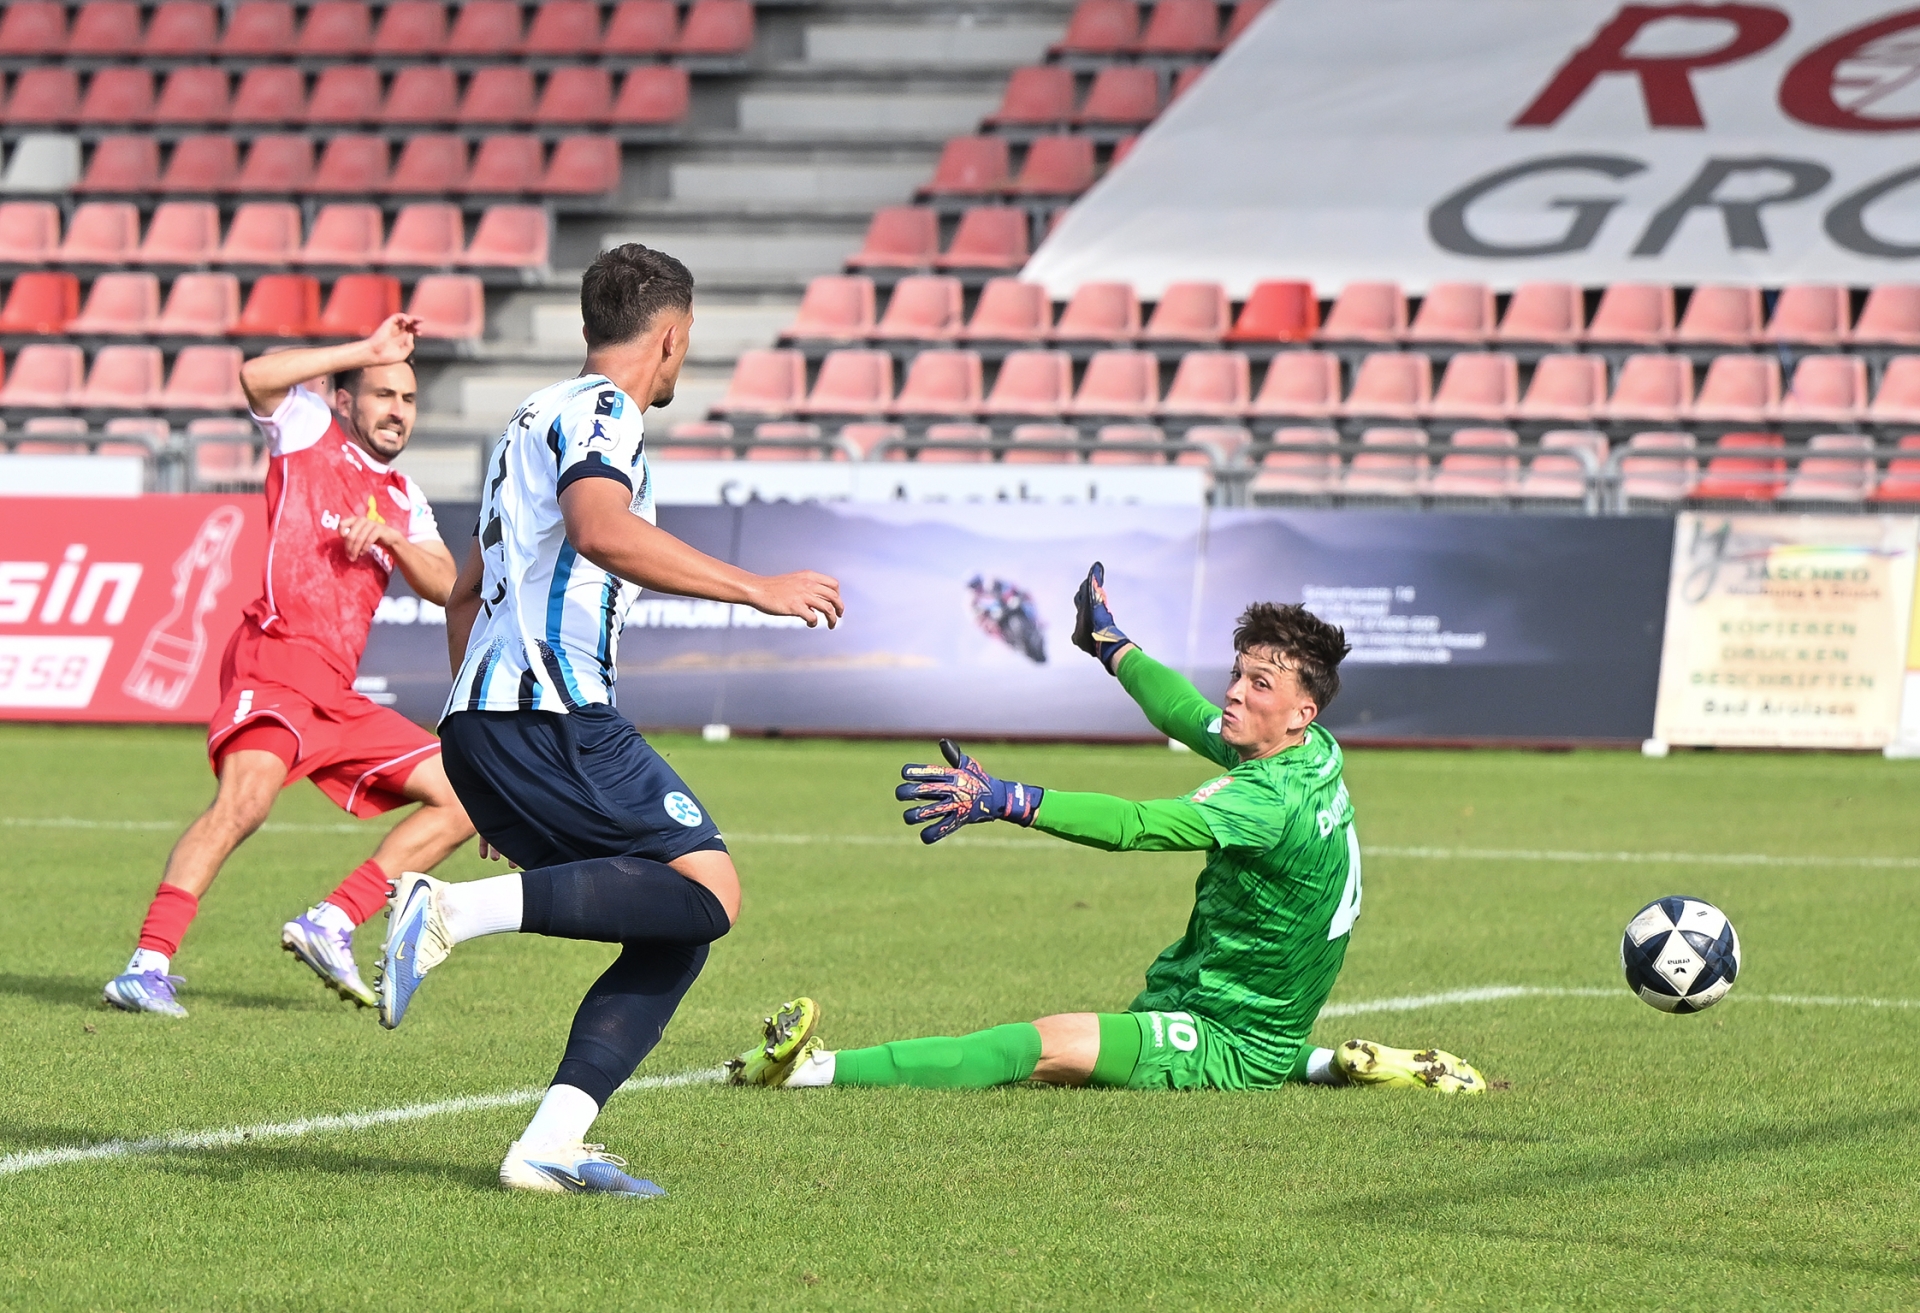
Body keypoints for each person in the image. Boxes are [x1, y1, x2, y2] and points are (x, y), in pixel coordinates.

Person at [374, 243, 844, 1198]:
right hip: (552, 707)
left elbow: (464, 589)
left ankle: (550, 1142)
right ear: (669, 338)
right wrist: (757, 587)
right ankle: (450, 910)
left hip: (492, 718)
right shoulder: (604, 414)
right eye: (687, 342)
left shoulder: (527, 417)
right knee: (711, 887)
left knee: (676, 927)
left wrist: (484, 758)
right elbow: (601, 530)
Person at [729, 563, 1487, 1096]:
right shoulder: (1310, 750)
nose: (1234, 692)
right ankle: (1331, 1065)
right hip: (1222, 1003)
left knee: (1042, 1044)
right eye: (1238, 672)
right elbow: (1181, 710)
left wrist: (1008, 798)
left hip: (1225, 1035)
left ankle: (810, 1071)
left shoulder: (1267, 799)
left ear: (1300, 710)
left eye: (1260, 684)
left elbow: (1135, 825)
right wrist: (1111, 643)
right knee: (1083, 1044)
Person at [103, 316, 476, 1018]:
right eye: (383, 394)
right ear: (345, 400)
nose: (398, 410)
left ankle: (332, 921)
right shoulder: (309, 433)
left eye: (408, 398)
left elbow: (448, 582)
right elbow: (256, 376)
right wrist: (367, 349)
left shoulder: (404, 496)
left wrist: (393, 539)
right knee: (244, 805)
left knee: (466, 794)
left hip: (336, 693)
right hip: (274, 664)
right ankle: (145, 966)